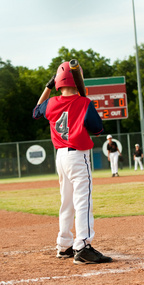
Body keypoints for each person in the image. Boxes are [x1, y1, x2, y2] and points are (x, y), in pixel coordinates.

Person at [32, 61, 112, 265]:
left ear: (58, 81)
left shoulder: (50, 103)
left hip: (61, 158)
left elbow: (35, 112)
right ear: (78, 81)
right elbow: (98, 130)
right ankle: (82, 246)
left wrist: (47, 87)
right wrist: (86, 103)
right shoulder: (84, 103)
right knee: (83, 201)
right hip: (78, 156)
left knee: (66, 202)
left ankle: (64, 245)